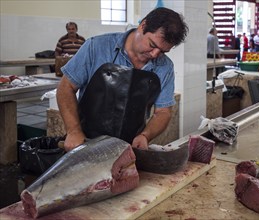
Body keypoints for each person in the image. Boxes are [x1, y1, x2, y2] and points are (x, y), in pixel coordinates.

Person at [56, 7, 188, 152]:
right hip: (85, 142)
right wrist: (74, 131)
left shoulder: (165, 67)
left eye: (163, 51)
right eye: (152, 45)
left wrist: (145, 136)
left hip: (128, 149)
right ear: (143, 25)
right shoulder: (96, 47)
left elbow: (163, 112)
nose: (155, 54)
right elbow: (65, 87)